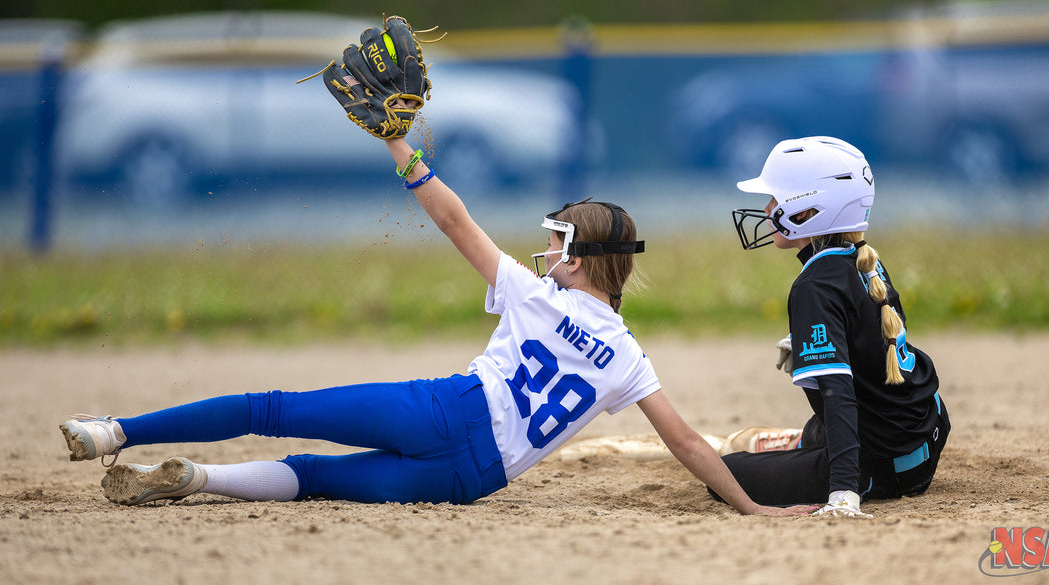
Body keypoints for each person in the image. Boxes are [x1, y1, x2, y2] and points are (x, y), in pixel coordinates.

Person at [58, 121, 813, 516]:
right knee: (312, 478)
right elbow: (685, 441)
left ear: (582, 258)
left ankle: (114, 433)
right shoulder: (626, 357)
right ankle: (200, 480)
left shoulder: (538, 294)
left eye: (558, 242)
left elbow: (454, 221)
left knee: (273, 408)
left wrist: (400, 145)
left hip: (445, 410)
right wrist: (750, 506)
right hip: (469, 478)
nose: (548, 251)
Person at [720, 136, 950, 517]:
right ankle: (807, 443)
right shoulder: (863, 259)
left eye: (775, 199)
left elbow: (838, 392)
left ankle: (831, 470)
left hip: (884, 468)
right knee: (816, 431)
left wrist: (843, 493)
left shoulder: (813, 286)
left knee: (724, 474)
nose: (766, 209)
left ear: (808, 211)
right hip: (926, 437)